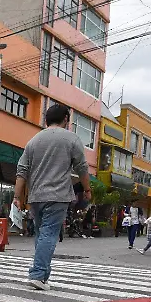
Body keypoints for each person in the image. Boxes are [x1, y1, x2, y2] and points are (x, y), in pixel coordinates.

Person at [13, 104, 90, 291]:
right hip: (58, 195)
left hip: (36, 196)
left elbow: (22, 170)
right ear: (66, 118)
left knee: (41, 234)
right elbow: (82, 167)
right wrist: (87, 189)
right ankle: (38, 274)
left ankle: (42, 276)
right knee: (48, 234)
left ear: (46, 119)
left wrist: (17, 196)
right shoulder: (72, 139)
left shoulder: (33, 140)